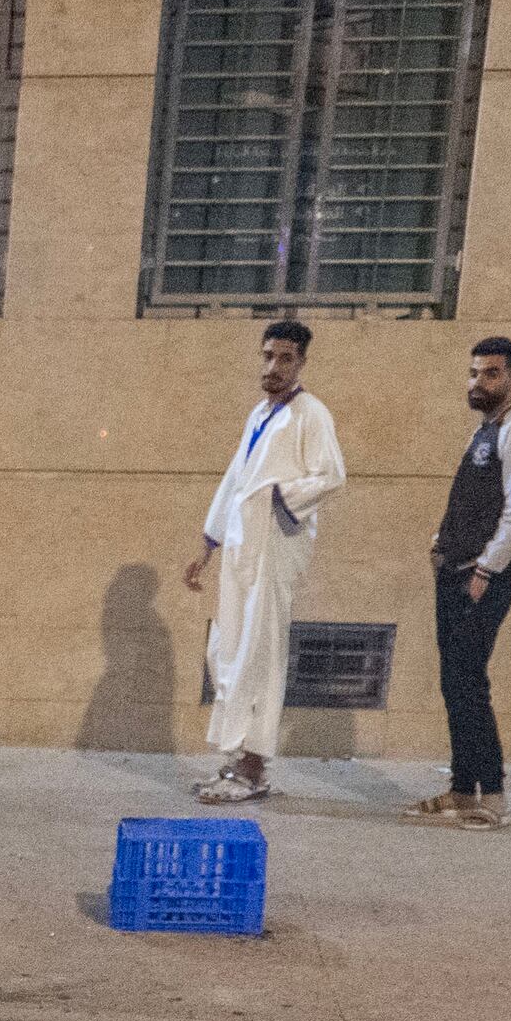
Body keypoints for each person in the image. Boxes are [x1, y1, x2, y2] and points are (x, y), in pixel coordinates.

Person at [182, 317, 343, 807]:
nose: (273, 367)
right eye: (268, 356)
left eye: (285, 359)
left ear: (302, 362)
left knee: (260, 652)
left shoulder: (311, 415)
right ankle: (235, 758)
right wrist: (206, 546)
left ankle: (253, 769)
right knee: (228, 649)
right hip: (240, 545)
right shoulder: (260, 414)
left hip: (275, 545)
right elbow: (235, 479)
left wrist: (277, 498)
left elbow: (331, 476)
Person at [416, 335, 511, 830]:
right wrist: (438, 542)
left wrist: (485, 569)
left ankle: (491, 796)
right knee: (454, 682)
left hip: (482, 575)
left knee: (470, 682)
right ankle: (460, 788)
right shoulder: (485, 431)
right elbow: (469, 500)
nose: (479, 382)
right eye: (474, 372)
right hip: (454, 569)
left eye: (491, 373)